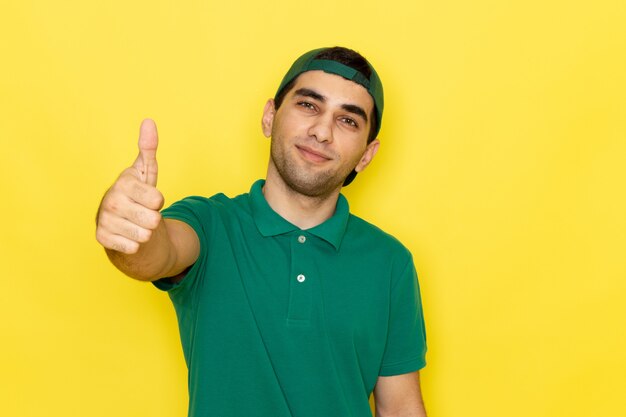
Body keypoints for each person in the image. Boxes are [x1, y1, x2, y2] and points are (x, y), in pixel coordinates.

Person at [96, 46, 428, 417]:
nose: (322, 132)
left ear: (366, 155)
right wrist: (128, 230)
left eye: (348, 121)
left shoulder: (390, 262)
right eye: (308, 105)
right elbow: (156, 254)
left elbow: (400, 408)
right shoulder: (210, 223)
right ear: (270, 117)